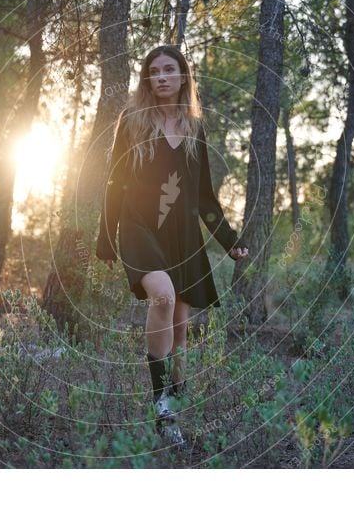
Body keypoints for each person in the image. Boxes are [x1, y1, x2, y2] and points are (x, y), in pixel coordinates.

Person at [95, 45, 249, 449]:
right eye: (154, 71)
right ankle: (161, 405)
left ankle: (172, 406)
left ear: (183, 77)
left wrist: (230, 241)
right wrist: (105, 235)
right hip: (138, 226)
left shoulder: (196, 128)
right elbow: (114, 181)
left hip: (182, 234)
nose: (161, 77)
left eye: (169, 70)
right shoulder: (132, 121)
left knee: (181, 331)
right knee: (161, 297)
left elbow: (203, 197)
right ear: (147, 79)